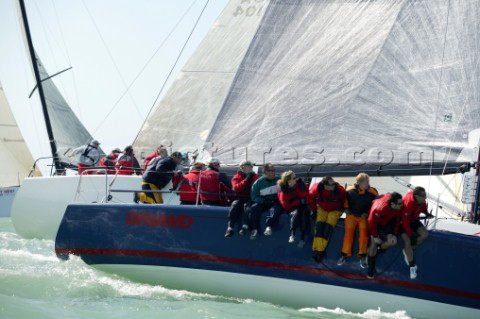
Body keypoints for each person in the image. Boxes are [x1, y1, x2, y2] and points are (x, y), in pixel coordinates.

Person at [337, 173, 378, 268]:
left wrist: (367, 213)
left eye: (368, 181)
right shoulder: (349, 190)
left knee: (364, 236)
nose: (368, 184)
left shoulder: (373, 192)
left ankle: (362, 256)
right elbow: (344, 201)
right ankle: (344, 254)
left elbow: (375, 205)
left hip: (363, 217)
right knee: (348, 236)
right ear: (359, 183)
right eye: (366, 182)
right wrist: (345, 209)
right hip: (351, 216)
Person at [309, 176, 346, 263]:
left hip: (335, 210)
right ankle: (318, 249)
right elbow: (311, 199)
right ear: (325, 186)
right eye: (332, 184)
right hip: (322, 208)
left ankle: (319, 252)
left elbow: (345, 202)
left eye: (334, 183)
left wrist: (343, 209)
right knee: (319, 227)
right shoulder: (315, 189)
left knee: (327, 229)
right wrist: (314, 211)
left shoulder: (340, 191)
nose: (334, 185)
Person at [366, 192, 403, 279]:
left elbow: (397, 221)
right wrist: (375, 236)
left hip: (387, 221)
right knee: (373, 244)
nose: (402, 205)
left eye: (402, 203)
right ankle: (370, 266)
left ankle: (377, 252)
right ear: (392, 204)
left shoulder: (398, 207)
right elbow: (371, 222)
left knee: (392, 241)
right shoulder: (379, 208)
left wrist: (394, 234)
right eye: (400, 204)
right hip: (376, 222)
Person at [401, 186, 431, 280]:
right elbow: (405, 224)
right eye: (423, 196)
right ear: (417, 196)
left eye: (425, 195)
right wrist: (411, 234)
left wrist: (426, 213)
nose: (425, 198)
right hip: (403, 222)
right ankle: (411, 265)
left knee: (425, 234)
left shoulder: (420, 201)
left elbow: (423, 205)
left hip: (413, 220)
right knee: (408, 241)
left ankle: (408, 250)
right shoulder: (408, 204)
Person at [224, 160, 259, 237]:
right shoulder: (236, 177)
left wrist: (250, 179)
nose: (250, 169)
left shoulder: (255, 177)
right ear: (242, 168)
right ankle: (230, 228)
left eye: (251, 167)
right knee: (234, 205)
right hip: (239, 198)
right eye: (248, 167)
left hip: (250, 198)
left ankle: (245, 226)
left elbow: (256, 189)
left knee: (248, 207)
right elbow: (236, 188)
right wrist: (246, 180)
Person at [248, 163, 282, 239]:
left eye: (274, 170)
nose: (273, 172)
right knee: (254, 208)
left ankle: (268, 226)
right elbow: (254, 196)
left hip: (275, 202)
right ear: (265, 172)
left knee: (276, 209)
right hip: (262, 202)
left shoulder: (280, 181)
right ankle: (254, 229)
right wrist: (263, 201)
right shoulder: (258, 183)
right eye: (271, 170)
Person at [277, 170, 310, 247]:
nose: (297, 179)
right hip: (292, 207)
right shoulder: (283, 191)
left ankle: (302, 237)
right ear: (289, 181)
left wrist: (302, 199)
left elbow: (307, 195)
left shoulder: (300, 184)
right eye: (294, 178)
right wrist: (298, 201)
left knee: (304, 212)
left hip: (303, 205)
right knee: (297, 212)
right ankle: (292, 234)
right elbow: (286, 206)